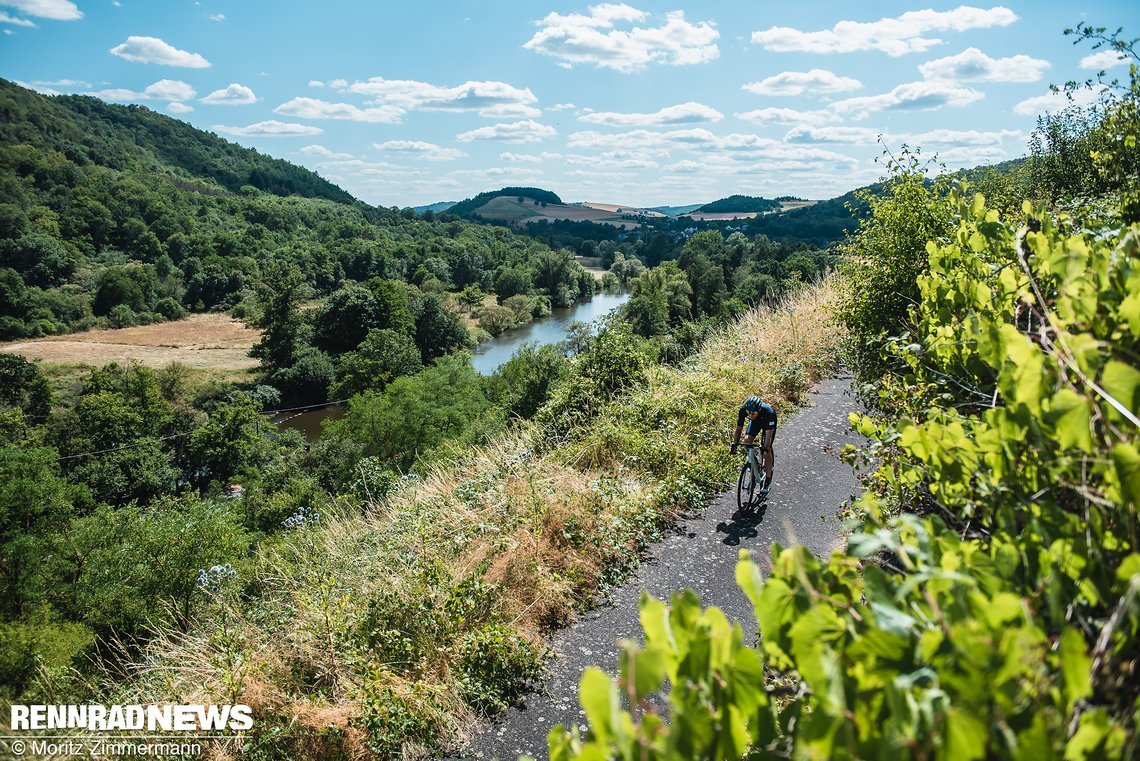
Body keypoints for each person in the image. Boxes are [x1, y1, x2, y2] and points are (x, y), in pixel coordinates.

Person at [730, 395, 777, 494]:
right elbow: (739, 429)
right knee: (747, 441)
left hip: (767, 423)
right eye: (749, 412)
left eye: (754, 413)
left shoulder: (769, 412)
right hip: (755, 423)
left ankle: (767, 481)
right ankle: (755, 463)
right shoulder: (743, 410)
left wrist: (765, 448)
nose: (751, 415)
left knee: (766, 451)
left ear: (759, 409)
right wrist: (735, 444)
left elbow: (769, 435)